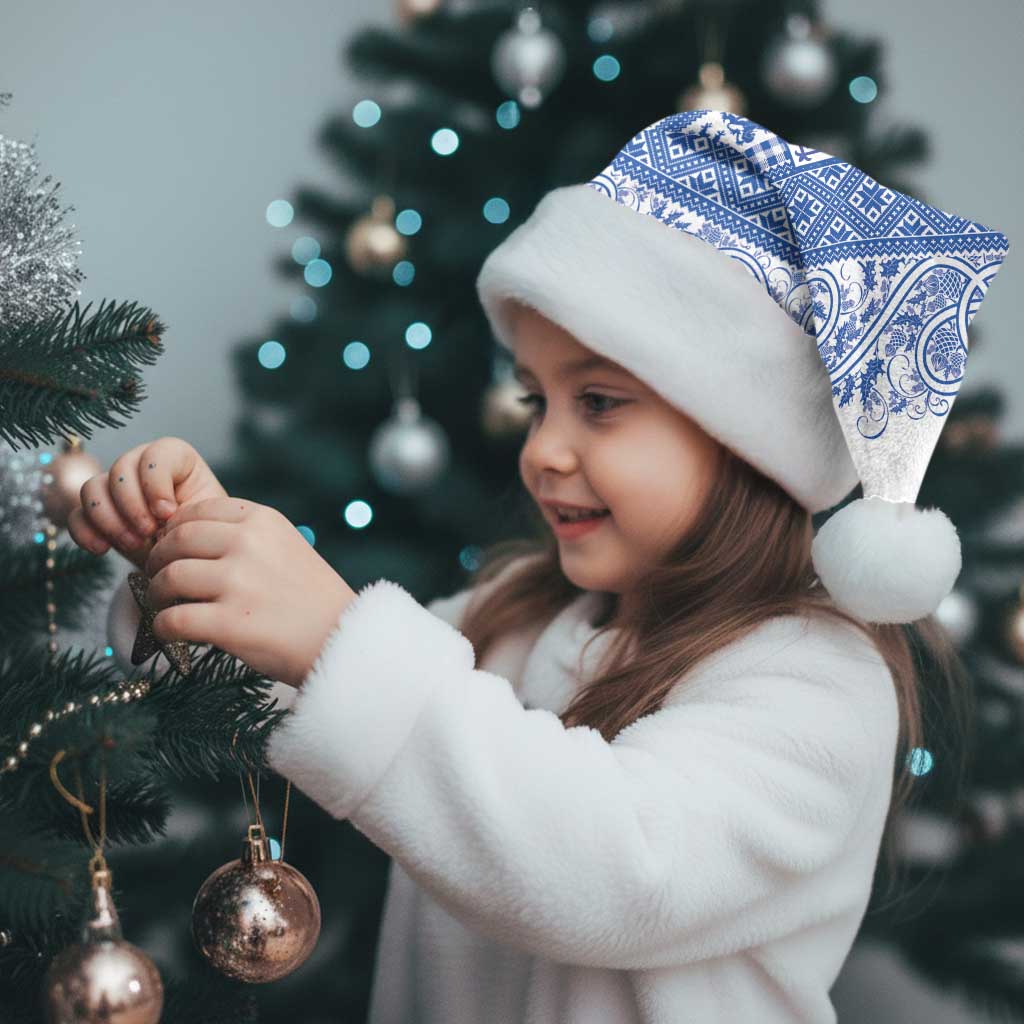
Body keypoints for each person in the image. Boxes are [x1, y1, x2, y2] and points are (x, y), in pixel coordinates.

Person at [74, 110, 1010, 1023]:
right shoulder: (515, 616)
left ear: (746, 441)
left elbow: (615, 870)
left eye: (598, 402)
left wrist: (335, 635)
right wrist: (191, 563)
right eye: (536, 401)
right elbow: (304, 691)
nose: (543, 450)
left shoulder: (818, 683)